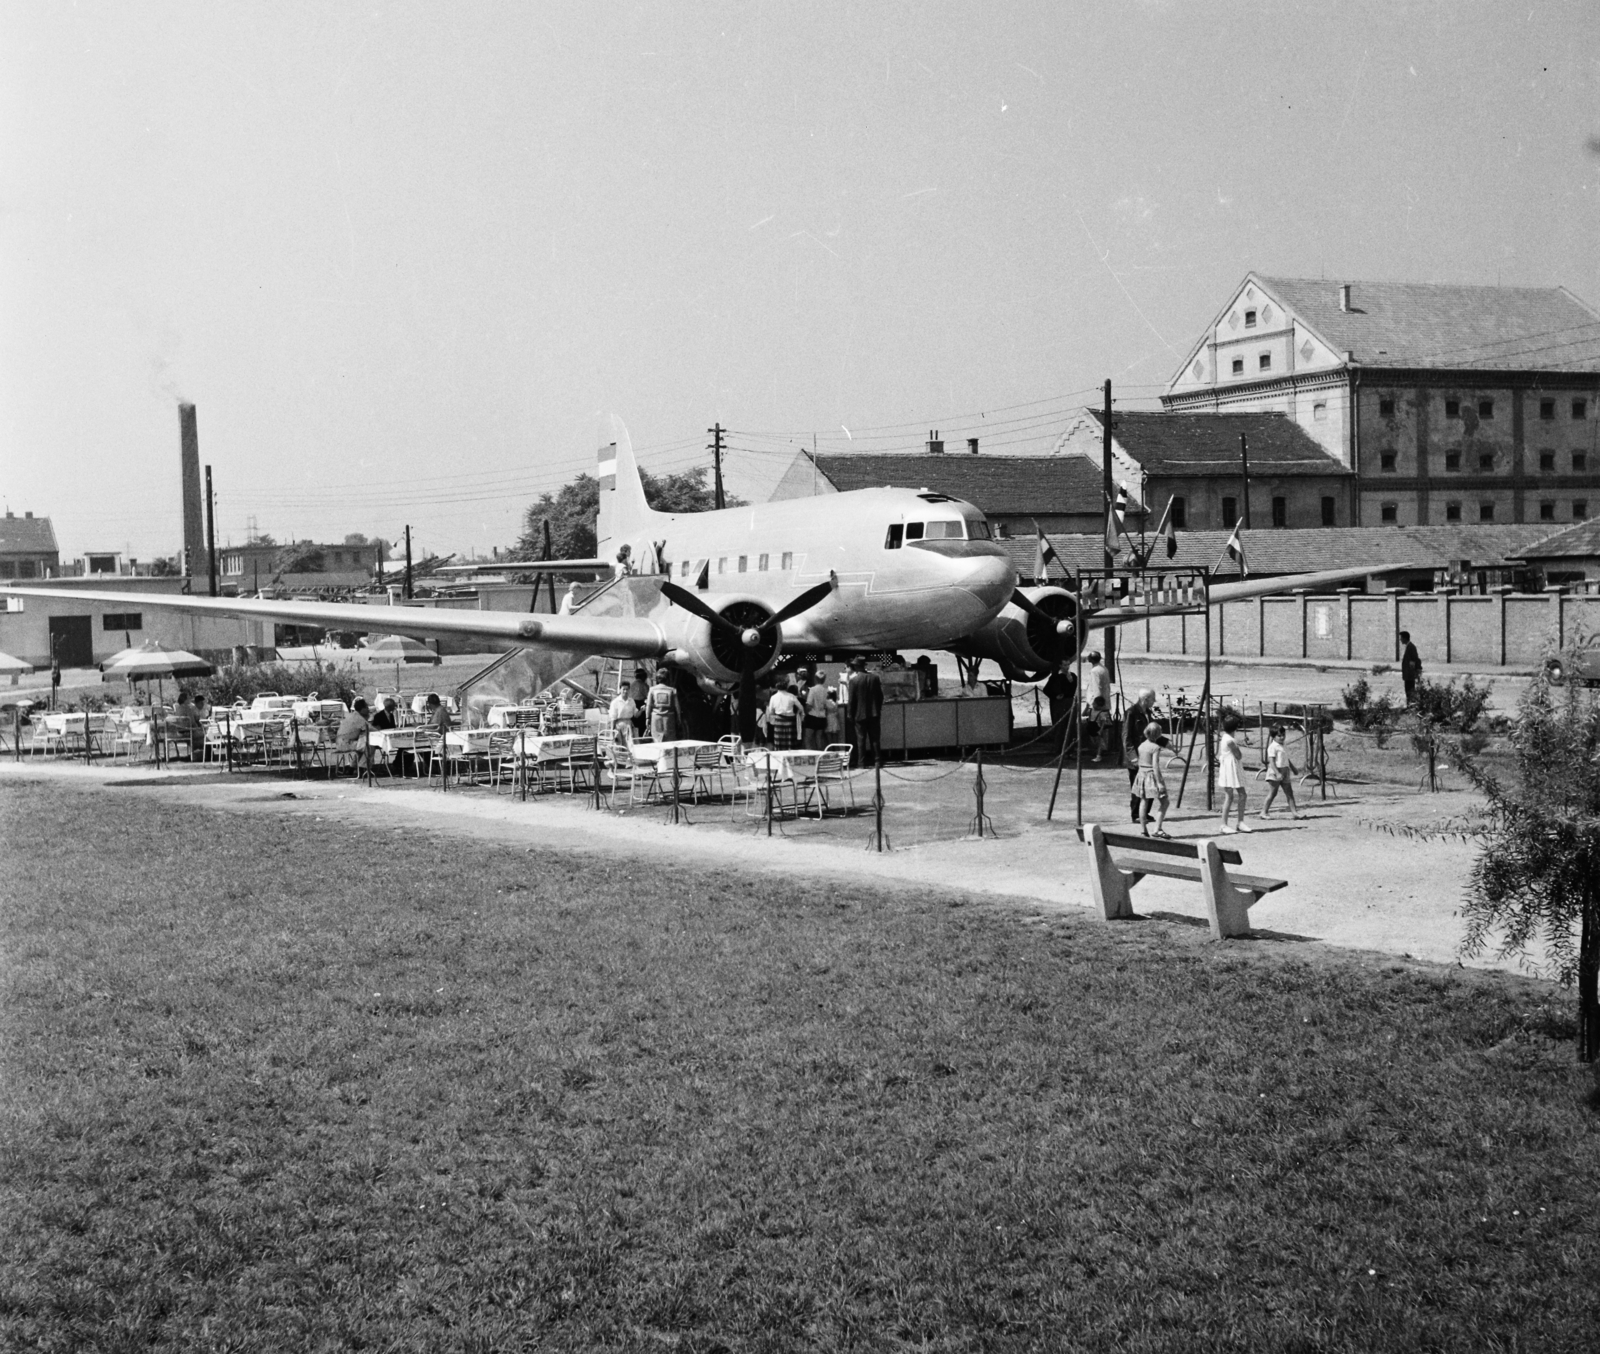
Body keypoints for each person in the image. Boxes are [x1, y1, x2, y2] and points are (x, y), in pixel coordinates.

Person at [1123, 688, 1157, 823]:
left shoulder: (1148, 713)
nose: (1154, 702)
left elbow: (1153, 733)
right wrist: (1133, 757)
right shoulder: (1131, 713)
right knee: (1137, 787)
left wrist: (1167, 743)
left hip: (1147, 756)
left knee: (1150, 786)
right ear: (1145, 699)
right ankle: (1136, 814)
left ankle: (1145, 812)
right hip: (1136, 757)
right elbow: (1126, 737)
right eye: (1153, 699)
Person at [1132, 722, 1171, 838]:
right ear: (1158, 734)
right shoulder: (1155, 747)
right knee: (1165, 802)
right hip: (1151, 775)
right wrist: (1160, 783)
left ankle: (1143, 830)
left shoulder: (1141, 745)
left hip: (1141, 774)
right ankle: (1157, 829)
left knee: (1143, 801)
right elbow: (1155, 766)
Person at [1260, 724, 1304, 820]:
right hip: (1275, 772)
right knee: (1273, 793)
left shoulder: (1284, 745)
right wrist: (1277, 773)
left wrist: (1293, 768)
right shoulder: (1272, 747)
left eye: (1283, 735)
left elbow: (1286, 759)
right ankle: (1264, 812)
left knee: (1289, 793)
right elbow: (1271, 762)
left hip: (1285, 771)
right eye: (1279, 736)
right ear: (1273, 736)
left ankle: (1295, 813)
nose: (1282, 737)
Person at [1216, 711, 1250, 834]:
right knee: (1233, 795)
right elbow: (1238, 755)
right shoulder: (1230, 741)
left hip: (1229, 769)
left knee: (1237, 795)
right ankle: (1225, 824)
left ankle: (1240, 823)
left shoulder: (1226, 738)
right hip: (1231, 770)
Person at [845, 656, 883, 767]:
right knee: (875, 739)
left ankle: (861, 763)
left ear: (856, 667)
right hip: (874, 713)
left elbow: (851, 700)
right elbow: (880, 697)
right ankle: (877, 761)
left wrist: (849, 714)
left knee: (861, 740)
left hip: (859, 714)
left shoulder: (854, 680)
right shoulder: (875, 678)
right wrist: (878, 709)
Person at [334, 698, 372, 775]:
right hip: (345, 743)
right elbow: (370, 729)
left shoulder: (353, 715)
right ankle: (363, 768)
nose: (368, 709)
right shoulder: (358, 718)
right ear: (362, 709)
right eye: (366, 707)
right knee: (369, 745)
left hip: (342, 742)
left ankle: (352, 766)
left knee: (363, 745)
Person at [646, 664, 681, 743]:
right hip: (669, 719)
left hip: (656, 718)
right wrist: (679, 717)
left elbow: (648, 705)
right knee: (669, 741)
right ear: (668, 678)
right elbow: (677, 706)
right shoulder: (672, 690)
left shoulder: (652, 690)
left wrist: (647, 718)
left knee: (656, 740)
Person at [766, 679, 804, 750]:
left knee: (779, 743)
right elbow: (801, 708)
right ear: (786, 687)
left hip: (779, 722)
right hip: (790, 722)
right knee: (790, 743)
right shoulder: (791, 696)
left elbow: (771, 712)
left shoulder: (773, 697)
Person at [1400, 630, 1422, 706]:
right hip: (1408, 675)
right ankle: (1410, 705)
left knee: (1410, 691)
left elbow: (1414, 660)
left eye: (1401, 638)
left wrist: (1413, 673)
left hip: (1409, 675)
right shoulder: (1409, 646)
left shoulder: (1411, 647)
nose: (1400, 640)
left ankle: (1411, 706)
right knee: (1408, 691)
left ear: (1405, 638)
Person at [628, 668, 650, 738]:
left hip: (632, 705)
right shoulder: (644, 686)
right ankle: (641, 739)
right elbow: (648, 697)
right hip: (641, 706)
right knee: (642, 726)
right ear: (643, 677)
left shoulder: (631, 685)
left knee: (634, 725)